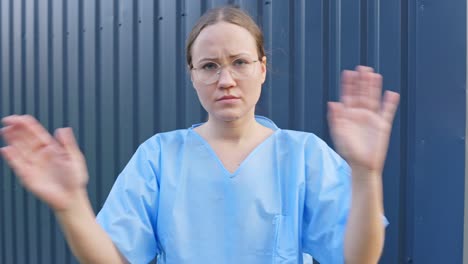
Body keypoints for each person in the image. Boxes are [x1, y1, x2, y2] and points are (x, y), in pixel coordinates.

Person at [0, 6, 399, 264]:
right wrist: (71, 205)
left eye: (239, 62)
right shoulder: (159, 156)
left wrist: (366, 173)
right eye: (209, 66)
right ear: (192, 75)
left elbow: (357, 258)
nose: (225, 80)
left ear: (262, 68)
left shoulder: (303, 155)